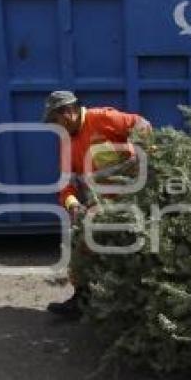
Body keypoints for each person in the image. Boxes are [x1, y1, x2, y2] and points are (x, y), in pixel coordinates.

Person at [42, 90, 151, 320]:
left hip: (134, 198)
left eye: (55, 120)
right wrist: (72, 205)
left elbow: (141, 124)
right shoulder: (66, 143)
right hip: (99, 205)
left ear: (69, 112)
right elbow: (65, 185)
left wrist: (141, 153)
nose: (54, 126)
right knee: (80, 240)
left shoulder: (103, 118)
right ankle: (81, 300)